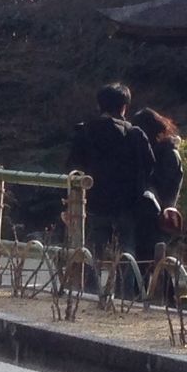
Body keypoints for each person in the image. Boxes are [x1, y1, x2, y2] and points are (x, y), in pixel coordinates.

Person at [66, 84, 155, 283]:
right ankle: (126, 295)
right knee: (127, 251)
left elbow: (72, 167)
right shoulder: (136, 134)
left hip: (92, 201)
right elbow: (149, 166)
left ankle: (89, 292)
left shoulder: (86, 131)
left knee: (91, 250)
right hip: (128, 203)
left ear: (99, 105)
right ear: (125, 107)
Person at [129, 107, 184, 274]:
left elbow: (164, 185)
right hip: (153, 214)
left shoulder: (166, 154)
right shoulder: (163, 152)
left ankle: (163, 298)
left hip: (157, 215)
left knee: (152, 262)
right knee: (148, 263)